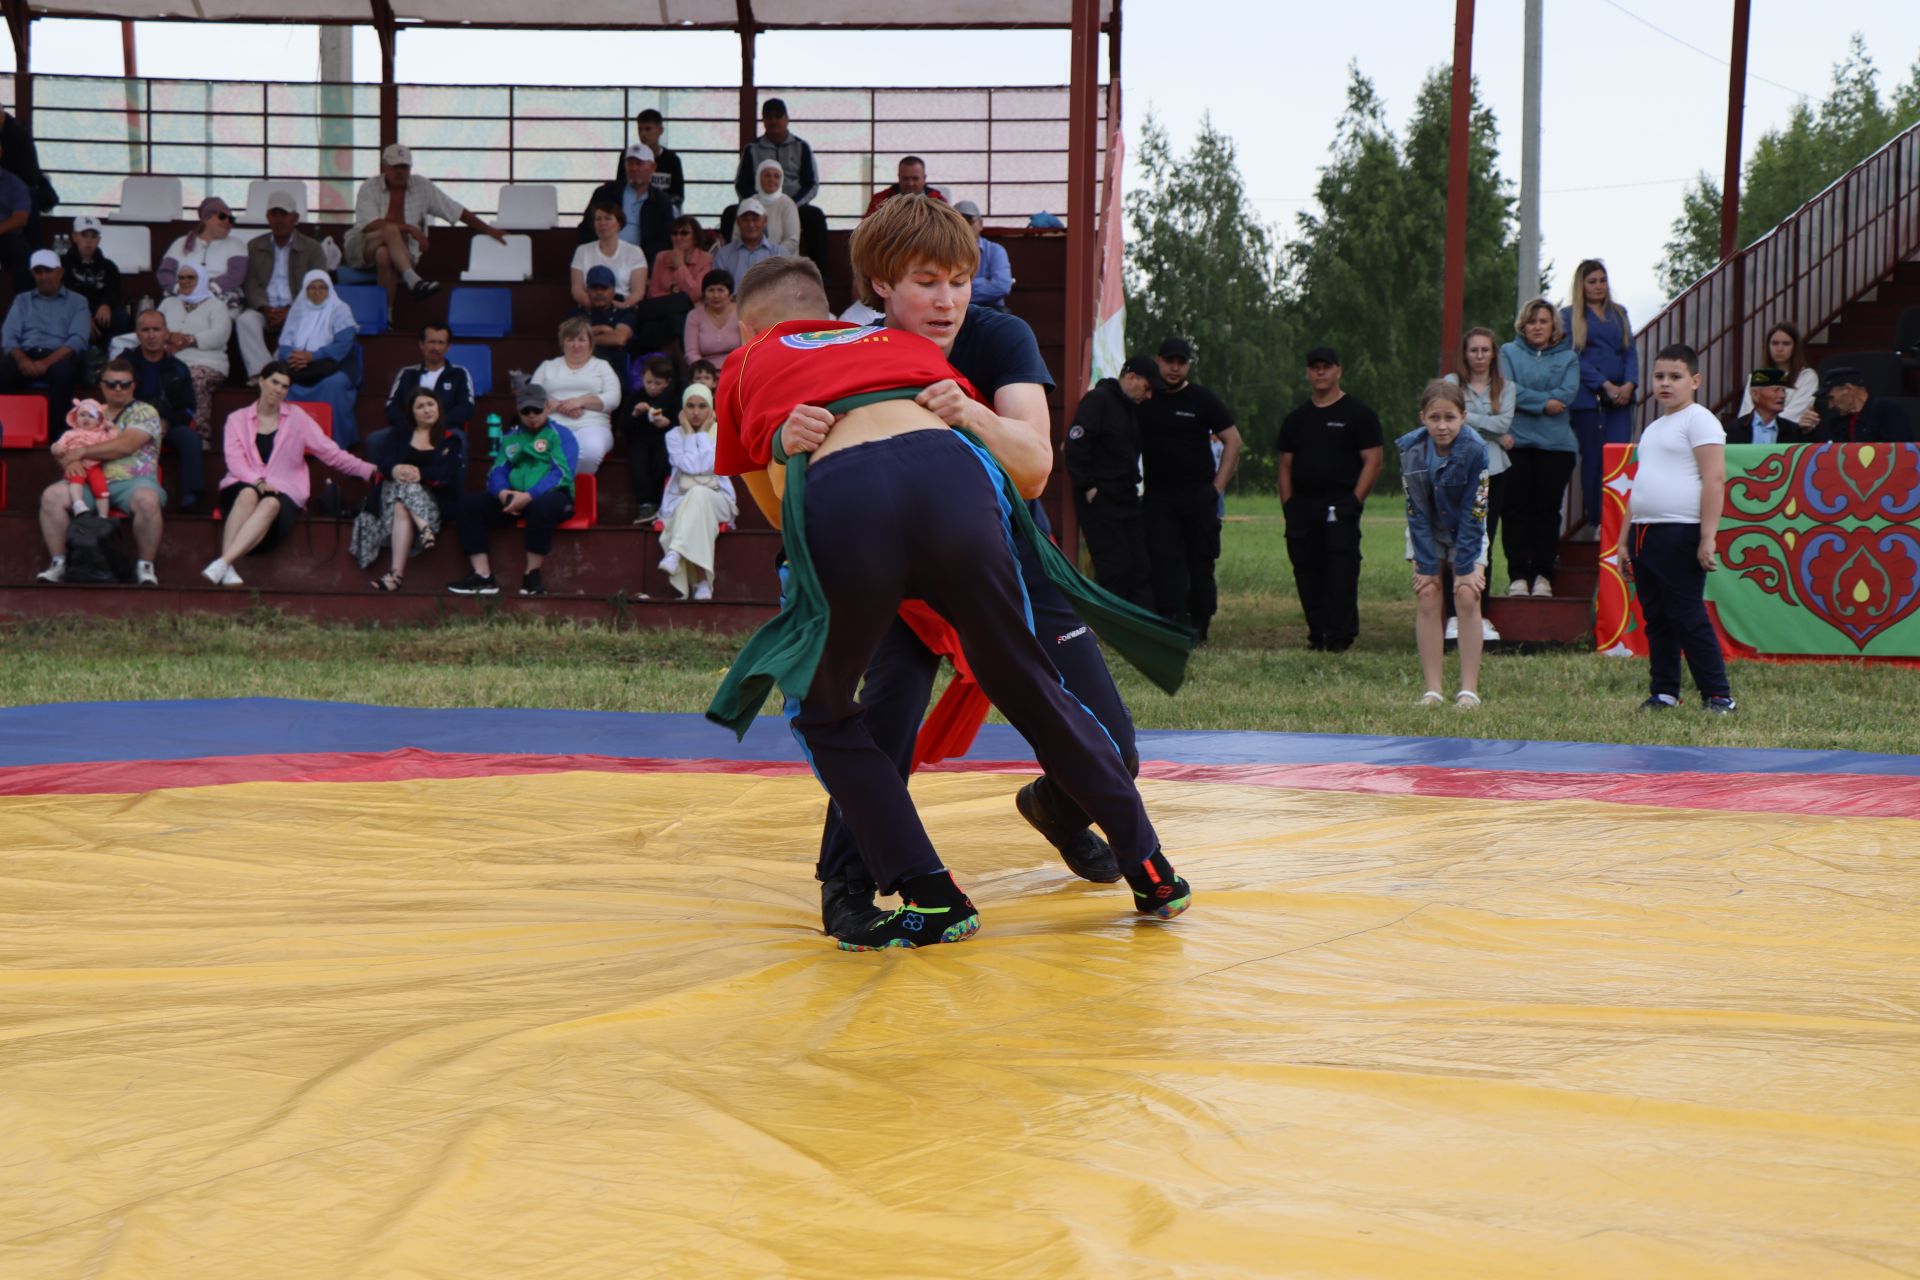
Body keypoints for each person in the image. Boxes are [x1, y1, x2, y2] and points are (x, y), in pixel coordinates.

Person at [712, 250, 1191, 951]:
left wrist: (788, 448)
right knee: (1025, 682)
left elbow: (779, 506)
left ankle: (932, 893)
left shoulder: (748, 363)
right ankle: (1151, 868)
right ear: (866, 297)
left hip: (848, 500)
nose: (943, 301)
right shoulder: (902, 345)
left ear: (750, 327)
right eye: (926, 284)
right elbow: (1009, 466)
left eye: (954, 284)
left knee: (829, 712)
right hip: (957, 490)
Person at [1616, 344, 1734, 715]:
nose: (1665, 384)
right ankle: (1665, 691)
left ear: (1695, 381)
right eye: (1659, 377)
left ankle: (1718, 695)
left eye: (1675, 377)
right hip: (1644, 533)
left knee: (1687, 614)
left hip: (1680, 532)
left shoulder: (1700, 420)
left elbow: (1715, 478)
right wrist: (1623, 541)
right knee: (1657, 617)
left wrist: (1707, 536)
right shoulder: (1653, 428)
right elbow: (1639, 487)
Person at [206, 362, 380, 587]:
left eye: (285, 386)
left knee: (271, 504)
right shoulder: (236, 419)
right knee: (248, 494)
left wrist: (367, 469)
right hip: (243, 482)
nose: (278, 390)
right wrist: (258, 482)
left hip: (284, 488)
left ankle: (224, 562)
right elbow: (235, 462)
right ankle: (226, 568)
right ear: (261, 381)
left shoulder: (297, 417)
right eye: (274, 382)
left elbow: (330, 452)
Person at [1277, 345, 1383, 652]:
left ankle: (1340, 636)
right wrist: (1289, 505)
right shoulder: (1296, 419)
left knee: (1341, 572)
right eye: (1314, 367)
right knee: (1306, 570)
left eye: (1326, 366)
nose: (1320, 372)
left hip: (1341, 505)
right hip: (1303, 507)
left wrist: (1354, 500)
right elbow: (1285, 465)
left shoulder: (1358, 414)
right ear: (1308, 372)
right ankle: (1317, 633)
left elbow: (1373, 461)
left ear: (1338, 370)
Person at [1140, 336, 1241, 643]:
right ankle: (1167, 624)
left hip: (1199, 497)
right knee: (1162, 563)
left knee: (1201, 563)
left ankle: (1200, 627)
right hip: (1159, 498)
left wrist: (1217, 488)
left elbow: (1233, 441)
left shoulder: (1203, 400)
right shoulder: (1147, 398)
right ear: (1158, 361)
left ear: (1188, 366)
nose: (1174, 368)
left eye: (1180, 363)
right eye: (1169, 361)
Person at [33, 360, 166, 586]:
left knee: (148, 500)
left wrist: (82, 452)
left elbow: (124, 446)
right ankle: (60, 564)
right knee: (51, 496)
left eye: (124, 384)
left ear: (133, 386)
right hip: (86, 480)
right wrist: (68, 463)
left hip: (132, 481)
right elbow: (67, 444)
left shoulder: (145, 411)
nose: (118, 389)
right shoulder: (89, 411)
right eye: (112, 383)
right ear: (102, 385)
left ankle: (145, 566)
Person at [1400, 379, 1491, 709]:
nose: (1442, 426)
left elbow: (1475, 510)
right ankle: (1433, 690)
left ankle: (1469, 690)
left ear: (1463, 417)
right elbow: (1416, 511)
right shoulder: (1411, 452)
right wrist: (1426, 566)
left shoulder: (1477, 450)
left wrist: (1465, 566)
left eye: (1450, 418)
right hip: (1426, 527)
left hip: (1468, 526)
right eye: (1435, 418)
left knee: (1467, 595)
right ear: (1422, 417)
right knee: (1427, 594)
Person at [447, 382, 578, 598]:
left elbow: (562, 473)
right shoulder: (510, 438)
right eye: (526, 410)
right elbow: (497, 471)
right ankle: (482, 576)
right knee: (468, 505)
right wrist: (503, 494)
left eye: (537, 409)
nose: (532, 415)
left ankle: (532, 575)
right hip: (515, 499)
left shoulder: (561, 435)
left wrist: (529, 496)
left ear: (547, 407)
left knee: (542, 506)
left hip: (554, 497)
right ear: (519, 410)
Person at [348, 142, 507, 308]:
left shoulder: (422, 186)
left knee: (384, 254)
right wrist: (411, 228)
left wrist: (489, 230)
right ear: (385, 166)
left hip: (402, 254)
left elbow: (455, 210)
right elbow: (369, 224)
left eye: (404, 166)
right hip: (363, 247)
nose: (400, 171)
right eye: (395, 167)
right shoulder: (369, 187)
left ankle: (385, 317)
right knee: (388, 230)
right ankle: (414, 281)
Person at [1501, 297, 1580, 597]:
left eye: (1543, 321)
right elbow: (1508, 390)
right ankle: (1518, 576)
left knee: (1547, 512)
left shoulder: (1568, 358)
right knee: (1516, 511)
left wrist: (1531, 401)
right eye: (1532, 321)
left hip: (1557, 448)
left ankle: (1543, 575)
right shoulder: (1508, 352)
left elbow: (1568, 393)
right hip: (1516, 443)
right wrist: (1545, 403)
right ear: (1523, 324)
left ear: (1553, 326)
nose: (1537, 327)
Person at [1066, 354, 1160, 606]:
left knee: (1141, 565)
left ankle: (1142, 626)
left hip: (1127, 497)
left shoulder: (1132, 409)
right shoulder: (1098, 401)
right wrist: (1087, 486)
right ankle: (1116, 627)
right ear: (1131, 378)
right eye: (1147, 387)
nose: (1148, 396)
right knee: (1115, 568)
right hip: (1102, 500)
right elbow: (1076, 443)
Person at [354, 387, 468, 592]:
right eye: (420, 406)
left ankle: (396, 575)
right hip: (391, 507)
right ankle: (424, 530)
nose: (427, 410)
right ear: (412, 413)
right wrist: (396, 469)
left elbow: (446, 472)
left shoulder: (451, 439)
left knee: (403, 500)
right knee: (401, 490)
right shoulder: (400, 433)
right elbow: (384, 460)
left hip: (432, 506)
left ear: (439, 408)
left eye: (431, 405)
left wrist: (420, 475)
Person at [1561, 260, 1638, 533]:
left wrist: (1629, 384)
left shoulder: (1619, 313)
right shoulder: (1569, 316)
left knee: (1619, 458)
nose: (1598, 286)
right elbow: (1573, 357)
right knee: (1593, 461)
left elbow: (1630, 351)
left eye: (1602, 280)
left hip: (1621, 401)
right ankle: (1597, 521)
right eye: (1592, 281)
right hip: (1588, 400)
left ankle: (1619, 523)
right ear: (1581, 285)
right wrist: (1604, 384)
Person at [1447, 326, 1515, 635]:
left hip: (1494, 472)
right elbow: (1445, 415)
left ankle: (1478, 614)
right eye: (1473, 350)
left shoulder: (1507, 387)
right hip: (1457, 470)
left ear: (1493, 354)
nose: (1479, 356)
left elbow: (1503, 421)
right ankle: (1453, 615)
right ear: (1465, 354)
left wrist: (1463, 416)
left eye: (1485, 350)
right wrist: (1495, 433)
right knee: (1455, 540)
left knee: (1483, 543)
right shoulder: (1450, 383)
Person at [658, 383, 736, 601]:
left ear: (711, 409)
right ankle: (703, 583)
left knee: (698, 494)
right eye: (690, 406)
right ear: (683, 409)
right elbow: (691, 466)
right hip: (681, 500)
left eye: (702, 406)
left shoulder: (722, 433)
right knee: (697, 499)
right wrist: (693, 435)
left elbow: (706, 465)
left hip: (719, 499)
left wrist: (700, 433)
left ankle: (676, 552)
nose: (696, 412)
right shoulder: (673, 435)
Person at [236, 191, 325, 380]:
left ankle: (272, 373)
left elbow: (318, 286)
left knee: (307, 321)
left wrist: (290, 309)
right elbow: (250, 283)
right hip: (264, 308)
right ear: (268, 217)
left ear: (295, 218)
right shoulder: (255, 245)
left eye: (283, 214)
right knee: (245, 320)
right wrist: (264, 307)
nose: (278, 220)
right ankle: (265, 374)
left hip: (298, 308)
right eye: (274, 214)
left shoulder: (312, 248)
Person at [728, 99, 828, 264]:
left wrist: (790, 204)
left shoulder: (801, 146)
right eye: (769, 117)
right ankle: (733, 264)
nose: (773, 121)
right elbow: (741, 184)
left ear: (787, 119)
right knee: (730, 213)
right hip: (758, 205)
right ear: (764, 121)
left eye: (778, 116)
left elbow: (811, 184)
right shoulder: (752, 148)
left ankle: (819, 271)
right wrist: (756, 204)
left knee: (815, 217)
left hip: (795, 204)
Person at [276, 270, 365, 449]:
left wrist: (312, 356)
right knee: (279, 382)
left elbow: (343, 344)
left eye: (322, 288)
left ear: (329, 290)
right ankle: (289, 442)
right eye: (312, 288)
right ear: (305, 291)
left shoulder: (340, 309)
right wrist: (292, 357)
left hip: (335, 364)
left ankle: (335, 443)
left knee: (333, 384)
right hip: (300, 364)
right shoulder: (298, 309)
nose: (317, 292)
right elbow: (285, 344)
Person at [128, 309, 205, 511]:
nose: (151, 335)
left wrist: (167, 422)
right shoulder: (125, 364)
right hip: (133, 426)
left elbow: (188, 408)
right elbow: (116, 401)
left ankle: (191, 499)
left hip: (168, 426)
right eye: (145, 330)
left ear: (165, 333)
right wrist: (146, 423)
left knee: (190, 438)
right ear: (137, 334)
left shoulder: (179, 367)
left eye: (156, 329)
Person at [1, 249, 90, 420]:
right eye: (38, 272)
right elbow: (9, 335)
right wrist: (23, 360)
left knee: (63, 373)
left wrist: (46, 363)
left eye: (48, 271)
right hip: (26, 354)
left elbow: (78, 339)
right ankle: (7, 432)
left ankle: (57, 438)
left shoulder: (78, 301)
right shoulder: (22, 300)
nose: (43, 277)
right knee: (2, 371)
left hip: (59, 356)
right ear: (32, 274)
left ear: (60, 272)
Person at [530, 316, 620, 476]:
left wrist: (580, 401)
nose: (576, 345)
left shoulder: (602, 366)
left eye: (581, 339)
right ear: (562, 343)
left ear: (590, 344)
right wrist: (560, 406)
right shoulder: (547, 366)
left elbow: (613, 398)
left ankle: (566, 488)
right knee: (543, 450)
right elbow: (531, 398)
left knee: (590, 451)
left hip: (593, 425)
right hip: (553, 424)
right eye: (570, 339)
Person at [158, 262, 233, 451]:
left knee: (194, 377)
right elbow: (155, 327)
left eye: (190, 277)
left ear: (202, 280)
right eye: (181, 277)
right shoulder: (169, 303)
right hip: (172, 360)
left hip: (208, 362)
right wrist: (168, 336)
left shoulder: (216, 305)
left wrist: (189, 339)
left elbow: (220, 334)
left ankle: (199, 435)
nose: (185, 281)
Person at [579, 144, 674, 263]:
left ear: (653, 167)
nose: (634, 168)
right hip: (603, 256)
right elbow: (586, 228)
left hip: (642, 261)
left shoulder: (661, 201)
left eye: (639, 163)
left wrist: (638, 257)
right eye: (630, 163)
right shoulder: (605, 193)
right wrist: (604, 251)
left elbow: (665, 240)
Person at [381, 323, 475, 441]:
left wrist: (437, 424)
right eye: (432, 342)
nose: (436, 348)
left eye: (441, 343)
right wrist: (409, 425)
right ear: (421, 344)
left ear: (448, 346)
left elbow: (466, 407)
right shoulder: (406, 373)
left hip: (445, 428)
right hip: (408, 428)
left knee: (459, 441)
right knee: (374, 440)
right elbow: (392, 405)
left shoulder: (460, 373)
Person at [624, 354, 680, 523]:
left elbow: (681, 426)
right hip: (640, 441)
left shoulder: (673, 398)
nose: (653, 387)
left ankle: (662, 499)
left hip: (665, 440)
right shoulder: (635, 397)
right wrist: (634, 414)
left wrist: (667, 424)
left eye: (658, 383)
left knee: (662, 456)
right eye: (649, 382)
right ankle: (646, 503)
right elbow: (624, 428)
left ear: (667, 382)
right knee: (638, 457)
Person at [157, 195, 247, 298]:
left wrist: (209, 290)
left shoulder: (236, 244)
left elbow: (236, 275)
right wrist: (179, 288)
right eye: (222, 217)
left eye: (231, 219)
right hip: (183, 291)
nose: (227, 222)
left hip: (220, 294)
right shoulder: (181, 243)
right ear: (206, 219)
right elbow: (165, 272)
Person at [59, 214, 130, 345]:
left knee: (120, 316)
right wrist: (82, 316)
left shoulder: (109, 266)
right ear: (74, 237)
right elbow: (62, 293)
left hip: (100, 314)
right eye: (84, 235)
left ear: (99, 240)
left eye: (93, 236)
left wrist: (106, 304)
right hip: (71, 312)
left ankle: (112, 355)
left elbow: (115, 291)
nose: (89, 241)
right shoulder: (62, 264)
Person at [1737, 322, 1820, 429]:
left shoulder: (1807, 376)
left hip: (1786, 436)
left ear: (1795, 347)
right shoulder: (1757, 376)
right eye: (1775, 343)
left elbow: (1795, 413)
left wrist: (1766, 423)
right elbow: (1746, 413)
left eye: (1786, 344)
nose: (1779, 349)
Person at [571, 202, 649, 306]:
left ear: (619, 224)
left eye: (607, 218)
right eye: (598, 219)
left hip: (622, 307)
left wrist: (622, 306)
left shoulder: (635, 252)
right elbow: (577, 289)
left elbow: (638, 292)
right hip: (590, 306)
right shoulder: (582, 251)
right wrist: (592, 305)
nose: (602, 223)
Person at [570, 266, 636, 387]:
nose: (599, 292)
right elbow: (567, 336)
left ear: (613, 291)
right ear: (587, 290)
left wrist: (583, 339)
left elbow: (619, 338)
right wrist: (601, 329)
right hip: (579, 370)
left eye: (604, 288)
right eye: (594, 288)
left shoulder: (624, 313)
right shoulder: (576, 313)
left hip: (614, 372)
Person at [1813, 366, 1913, 444]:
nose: (1830, 406)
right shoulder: (1837, 422)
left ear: (1848, 388)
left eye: (1832, 398)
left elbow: (1900, 450)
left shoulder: (1887, 410)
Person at [52, 398, 115, 517]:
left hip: (94, 466)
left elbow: (112, 442)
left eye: (91, 416)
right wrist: (57, 448)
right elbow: (58, 445)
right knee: (75, 480)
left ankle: (103, 516)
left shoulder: (101, 435)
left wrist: (110, 428)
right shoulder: (70, 434)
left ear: (99, 421)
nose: (86, 418)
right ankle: (78, 503)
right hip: (76, 465)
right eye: (82, 415)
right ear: (75, 418)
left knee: (100, 487)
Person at [614, 108, 685, 210]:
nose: (643, 134)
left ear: (660, 130)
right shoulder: (627, 156)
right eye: (640, 129)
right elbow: (618, 188)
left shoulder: (672, 160)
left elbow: (678, 196)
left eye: (648, 129)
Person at [712, 198, 789, 282]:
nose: (751, 225)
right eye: (745, 220)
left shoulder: (780, 254)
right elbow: (718, 288)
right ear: (738, 222)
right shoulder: (723, 255)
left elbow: (786, 286)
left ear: (765, 221)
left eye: (755, 219)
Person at [954, 200, 1011, 310]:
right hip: (956, 308)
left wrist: (961, 288)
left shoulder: (996, 250)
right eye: (958, 221)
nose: (964, 226)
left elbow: (1002, 286)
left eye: (969, 221)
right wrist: (983, 282)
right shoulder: (944, 251)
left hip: (991, 309)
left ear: (981, 224)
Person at [646, 215, 713, 302]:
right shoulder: (661, 257)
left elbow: (694, 294)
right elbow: (652, 292)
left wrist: (679, 265)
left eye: (684, 233)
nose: (678, 237)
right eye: (674, 233)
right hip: (663, 309)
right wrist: (674, 296)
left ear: (696, 237)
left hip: (691, 311)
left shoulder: (706, 259)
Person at [682, 269, 741, 366]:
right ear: (704, 294)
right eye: (711, 290)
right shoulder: (694, 316)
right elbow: (691, 353)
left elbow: (748, 347)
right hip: (705, 373)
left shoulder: (742, 312)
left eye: (721, 290)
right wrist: (706, 372)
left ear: (730, 294)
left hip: (737, 368)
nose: (716, 295)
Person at [1724, 368, 1796, 444]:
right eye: (1776, 390)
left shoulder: (1794, 431)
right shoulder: (1734, 430)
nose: (1782, 395)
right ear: (1755, 395)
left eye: (1783, 391)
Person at [862, 155, 947, 218]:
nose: (910, 183)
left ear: (924, 178)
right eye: (905, 178)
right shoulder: (880, 200)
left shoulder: (938, 200)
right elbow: (866, 230)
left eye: (915, 179)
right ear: (899, 177)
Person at [749, 159, 802, 255]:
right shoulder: (750, 203)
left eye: (776, 176)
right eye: (767, 175)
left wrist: (769, 256)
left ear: (781, 180)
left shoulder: (788, 204)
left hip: (782, 263)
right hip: (750, 260)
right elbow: (737, 238)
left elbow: (792, 241)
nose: (772, 180)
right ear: (758, 178)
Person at [0, 145, 30, 290]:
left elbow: (20, 217)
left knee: (21, 252)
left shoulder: (14, 183)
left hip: (5, 236)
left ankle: (22, 307)